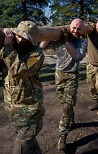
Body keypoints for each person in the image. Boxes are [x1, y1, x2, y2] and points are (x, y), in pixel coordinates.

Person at [40, 18, 87, 152]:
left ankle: (62, 137)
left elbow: (77, 57)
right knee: (65, 103)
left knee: (66, 107)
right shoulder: (60, 39)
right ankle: (71, 122)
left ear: (82, 30)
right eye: (74, 27)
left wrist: (65, 41)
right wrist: (52, 33)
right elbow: (42, 46)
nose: (76, 30)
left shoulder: (82, 42)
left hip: (72, 76)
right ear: (69, 27)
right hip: (58, 75)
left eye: (79, 28)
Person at [0, 21, 45, 154]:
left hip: (30, 114)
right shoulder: (11, 51)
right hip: (14, 112)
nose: (20, 39)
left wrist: (8, 45)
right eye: (18, 35)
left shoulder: (37, 55)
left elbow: (19, 70)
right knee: (31, 145)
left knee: (20, 146)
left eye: (24, 38)